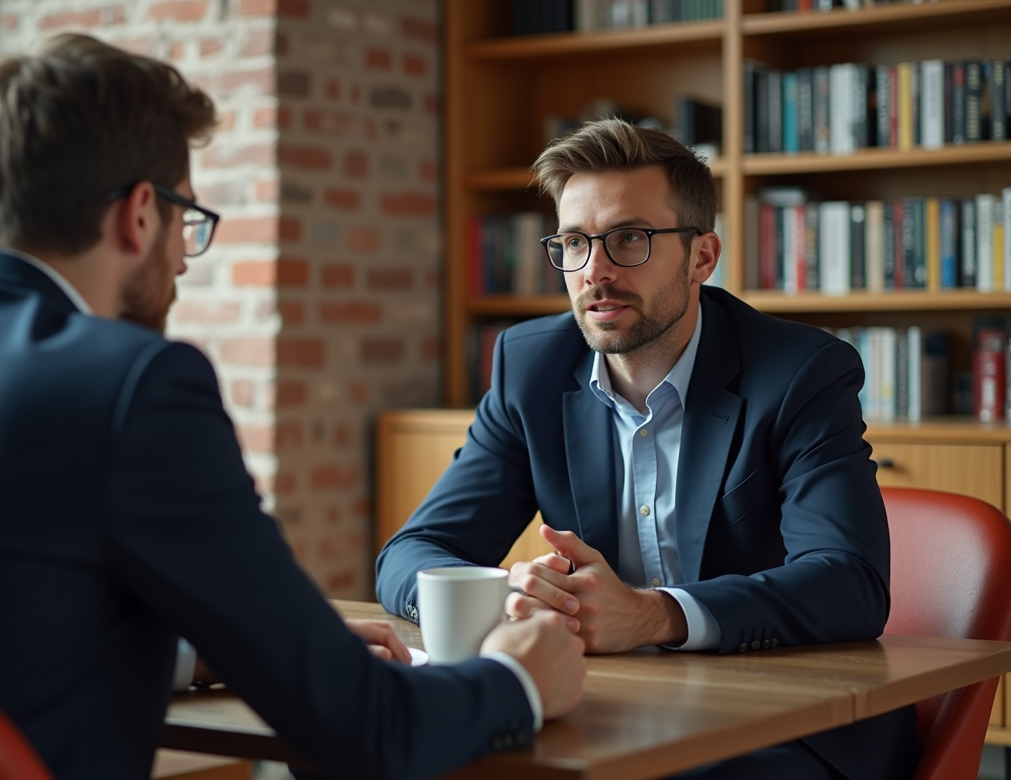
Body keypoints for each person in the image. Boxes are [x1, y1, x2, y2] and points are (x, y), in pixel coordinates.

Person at [0, 34, 586, 780]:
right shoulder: (130, 385)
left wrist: (198, 651)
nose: (183, 260)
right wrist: (516, 678)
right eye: (186, 222)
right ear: (138, 213)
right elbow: (367, 729)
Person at [375, 118, 918, 780]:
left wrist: (654, 616)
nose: (594, 271)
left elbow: (849, 582)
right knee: (370, 748)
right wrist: (505, 595)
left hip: (781, 720)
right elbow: (411, 552)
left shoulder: (801, 373)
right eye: (574, 242)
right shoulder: (530, 368)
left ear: (702, 257)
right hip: (609, 705)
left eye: (629, 238)